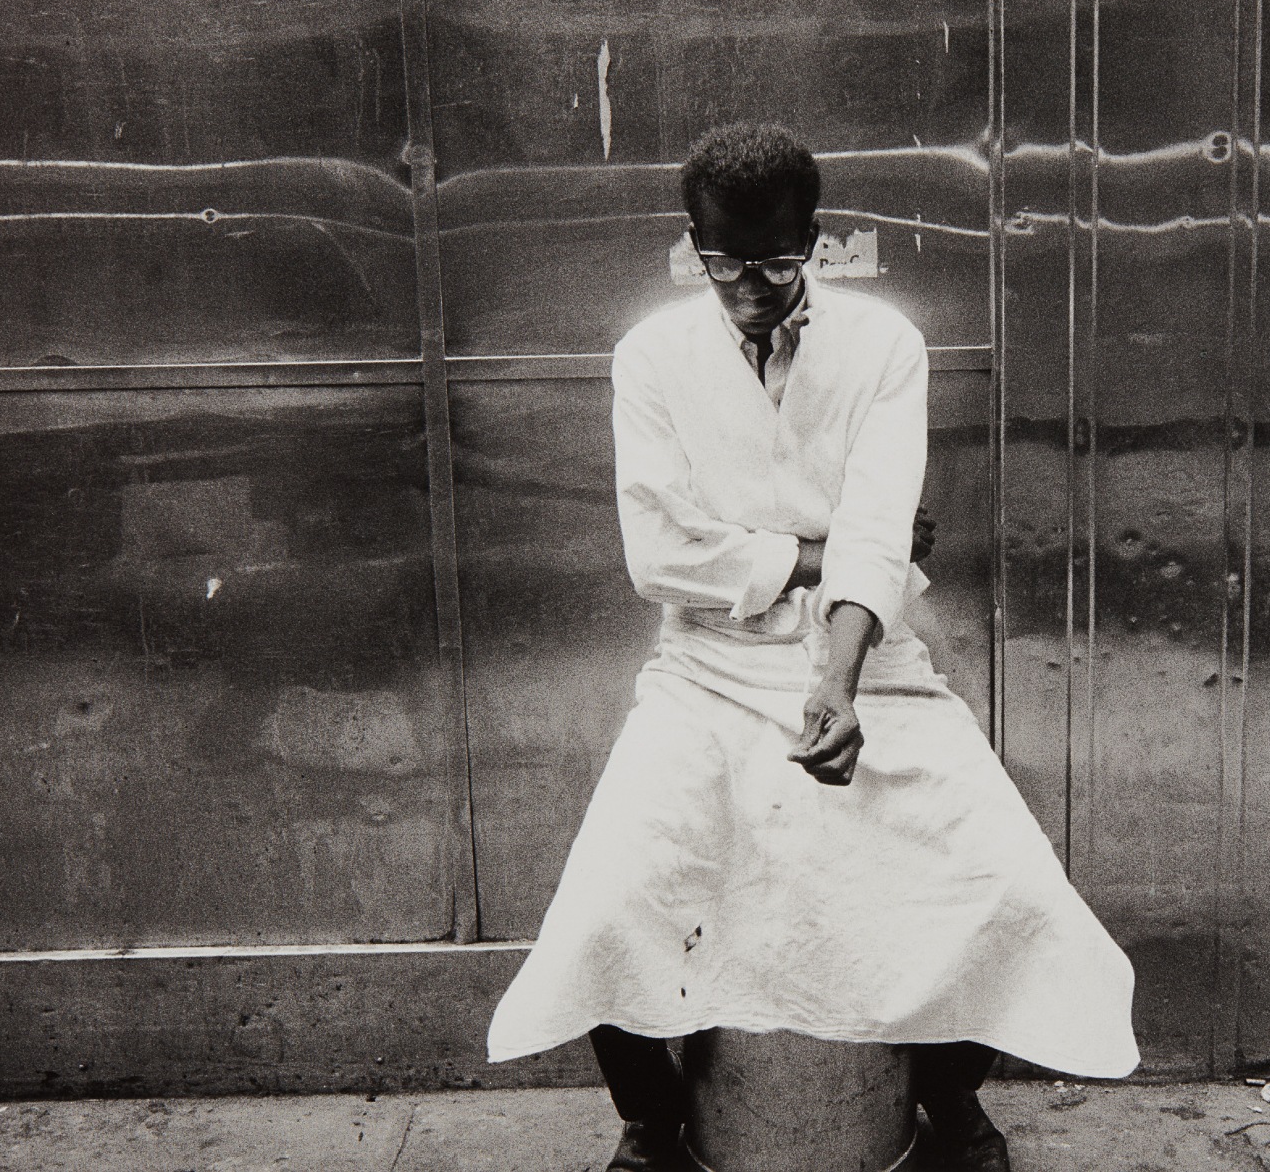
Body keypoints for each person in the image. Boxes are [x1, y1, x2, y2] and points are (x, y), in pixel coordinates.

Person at [486, 122, 1139, 1172]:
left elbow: (881, 530)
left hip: (867, 657)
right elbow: (660, 558)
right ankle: (653, 1118)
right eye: (724, 261)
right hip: (701, 665)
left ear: (817, 240)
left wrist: (838, 677)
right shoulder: (652, 357)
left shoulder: (884, 346)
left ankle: (941, 1093)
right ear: (691, 243)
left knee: (1015, 889)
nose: (751, 284)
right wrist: (814, 549)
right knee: (609, 900)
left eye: (778, 259)